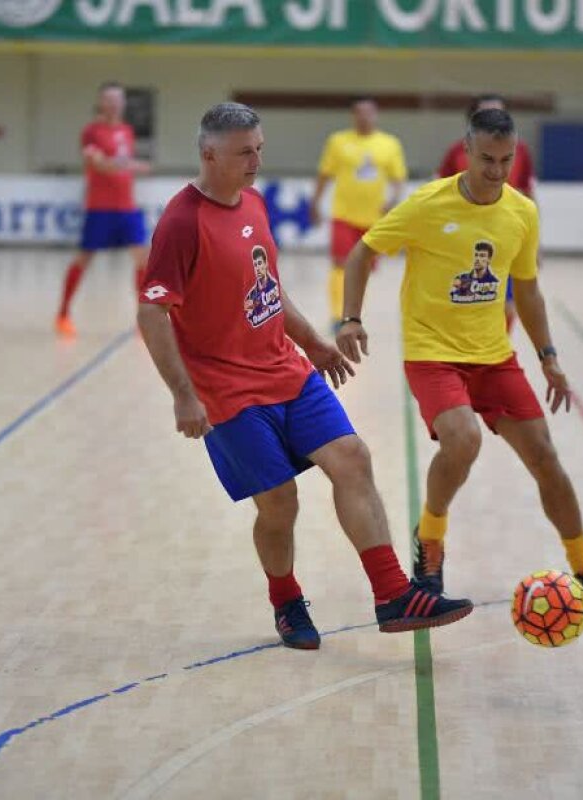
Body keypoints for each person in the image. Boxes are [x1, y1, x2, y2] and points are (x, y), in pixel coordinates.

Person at [136, 102, 473, 650]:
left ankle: (393, 595)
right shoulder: (181, 222)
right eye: (245, 152)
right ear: (209, 154)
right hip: (227, 393)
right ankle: (286, 599)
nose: (256, 161)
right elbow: (151, 311)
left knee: (353, 459)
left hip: (287, 372)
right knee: (280, 504)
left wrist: (311, 340)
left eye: (259, 149)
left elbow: (266, 285)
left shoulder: (253, 202)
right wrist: (182, 395)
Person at [336, 108, 583, 602]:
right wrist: (352, 319)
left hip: (494, 356)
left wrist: (548, 357)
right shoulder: (428, 204)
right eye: (487, 159)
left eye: (505, 160)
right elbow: (363, 252)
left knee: (545, 457)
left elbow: (528, 291)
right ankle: (430, 539)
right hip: (433, 353)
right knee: (464, 439)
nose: (495, 170)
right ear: (466, 151)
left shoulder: (522, 212)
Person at [56, 81, 152, 339]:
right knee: (84, 259)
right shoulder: (91, 132)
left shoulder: (127, 131)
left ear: (123, 103)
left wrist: (128, 165)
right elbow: (99, 165)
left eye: (117, 99)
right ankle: (63, 314)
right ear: (101, 102)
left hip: (127, 207)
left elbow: (120, 164)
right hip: (100, 208)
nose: (113, 104)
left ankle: (144, 319)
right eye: (108, 99)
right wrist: (128, 165)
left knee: (143, 258)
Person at [438, 94, 536, 333]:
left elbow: (527, 194)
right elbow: (440, 195)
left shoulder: (520, 151)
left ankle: (496, 353)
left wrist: (535, 245)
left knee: (508, 305)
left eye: (500, 114)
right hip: (463, 239)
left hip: (506, 235)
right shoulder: (457, 151)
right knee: (464, 299)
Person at [310, 97, 407, 330]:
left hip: (374, 219)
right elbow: (325, 174)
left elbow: (398, 179)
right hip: (343, 215)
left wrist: (393, 201)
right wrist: (315, 202)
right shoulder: (338, 141)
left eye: (369, 113)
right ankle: (337, 315)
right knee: (339, 264)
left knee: (363, 268)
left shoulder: (389, 144)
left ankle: (353, 313)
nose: (364, 117)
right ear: (353, 116)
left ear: (376, 115)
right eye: (359, 113)